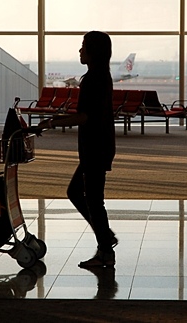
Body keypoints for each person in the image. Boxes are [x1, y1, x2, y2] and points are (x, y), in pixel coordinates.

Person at [38, 31, 118, 268]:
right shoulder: (101, 75)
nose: (80, 50)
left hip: (95, 146)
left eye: (83, 46)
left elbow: (84, 116)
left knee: (93, 199)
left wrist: (52, 123)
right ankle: (105, 239)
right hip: (98, 145)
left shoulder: (94, 78)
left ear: (93, 51)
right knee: (79, 193)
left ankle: (105, 247)